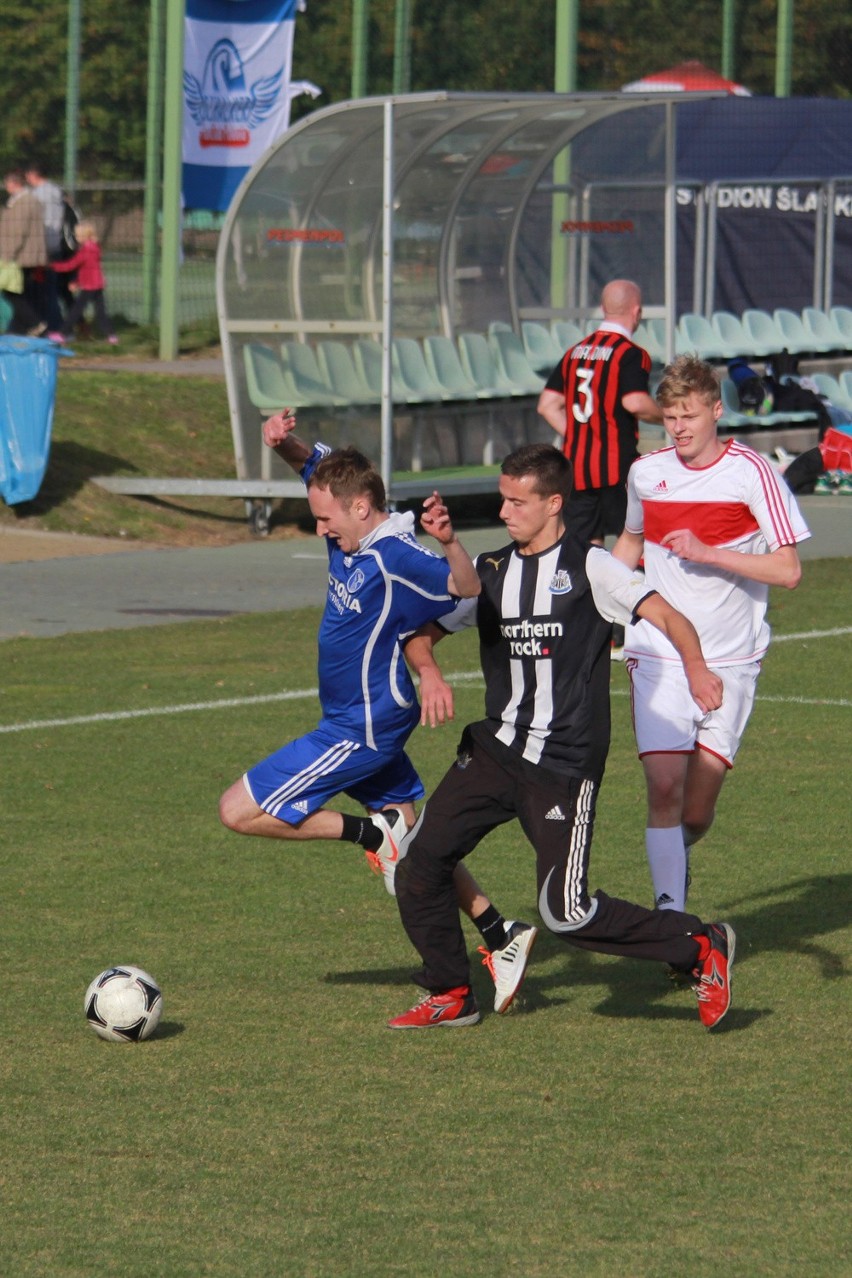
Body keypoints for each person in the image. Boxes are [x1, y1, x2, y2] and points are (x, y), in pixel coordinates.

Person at [389, 442, 736, 1032]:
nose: (504, 512)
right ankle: (450, 991)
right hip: (496, 749)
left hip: (563, 764)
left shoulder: (593, 567)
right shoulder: (493, 571)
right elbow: (420, 633)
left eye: (516, 501)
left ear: (553, 504)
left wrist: (698, 669)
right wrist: (429, 671)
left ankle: (699, 944)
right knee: (419, 864)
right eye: (502, 499)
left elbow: (672, 618)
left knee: (565, 914)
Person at [218, 412, 538, 1010]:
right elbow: (312, 466)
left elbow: (464, 590)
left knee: (237, 810)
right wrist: (282, 442)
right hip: (358, 715)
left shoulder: (394, 555)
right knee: (421, 851)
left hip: (359, 725)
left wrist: (447, 541)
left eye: (324, 519)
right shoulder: (351, 512)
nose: (319, 530)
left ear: (360, 508)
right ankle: (501, 932)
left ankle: (371, 831)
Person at [612, 355, 810, 916]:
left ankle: (676, 858)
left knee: (694, 814)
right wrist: (599, 607)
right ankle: (671, 921)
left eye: (689, 415)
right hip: (658, 652)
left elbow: (789, 570)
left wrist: (708, 552)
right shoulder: (646, 473)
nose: (678, 427)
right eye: (670, 416)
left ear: (716, 411)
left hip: (731, 659)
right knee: (663, 787)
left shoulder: (752, 474)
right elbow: (630, 544)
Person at [537, 279, 663, 546]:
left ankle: (588, 589)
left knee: (586, 550)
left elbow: (547, 405)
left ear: (604, 309)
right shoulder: (630, 354)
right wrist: (670, 417)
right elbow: (635, 403)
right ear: (636, 311)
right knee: (637, 543)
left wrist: (582, 433)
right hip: (617, 469)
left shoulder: (574, 352)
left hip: (577, 469)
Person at [50, 221, 117, 344]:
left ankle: (62, 334)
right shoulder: (95, 248)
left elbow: (70, 265)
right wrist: (76, 281)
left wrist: (52, 266)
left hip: (89, 287)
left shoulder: (85, 252)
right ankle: (111, 336)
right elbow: (87, 270)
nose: (76, 237)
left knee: (76, 311)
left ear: (85, 236)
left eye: (78, 235)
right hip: (98, 285)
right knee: (101, 312)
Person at [0, 169, 48, 335]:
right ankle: (18, 330)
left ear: (14, 183)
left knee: (11, 291)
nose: (6, 187)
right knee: (22, 292)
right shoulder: (25, 201)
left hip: (22, 257)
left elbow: (17, 231)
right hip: (25, 255)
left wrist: (7, 255)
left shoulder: (24, 202)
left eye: (7, 184)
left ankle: (36, 323)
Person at [24, 163, 65, 332]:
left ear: (33, 175)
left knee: (39, 289)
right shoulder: (56, 191)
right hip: (55, 243)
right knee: (51, 288)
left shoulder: (37, 195)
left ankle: (47, 326)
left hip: (41, 246)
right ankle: (56, 325)